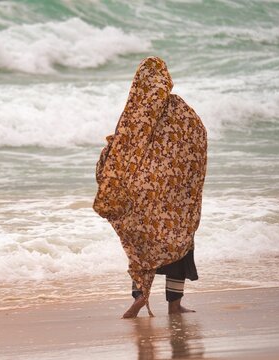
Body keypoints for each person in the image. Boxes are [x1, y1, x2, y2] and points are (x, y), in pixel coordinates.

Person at [93, 56, 207, 318]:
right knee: (179, 242)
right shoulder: (179, 108)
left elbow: (116, 148)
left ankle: (140, 296)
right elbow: (197, 139)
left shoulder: (134, 111)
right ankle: (174, 305)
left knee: (142, 246)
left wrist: (113, 177)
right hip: (173, 197)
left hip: (141, 195)